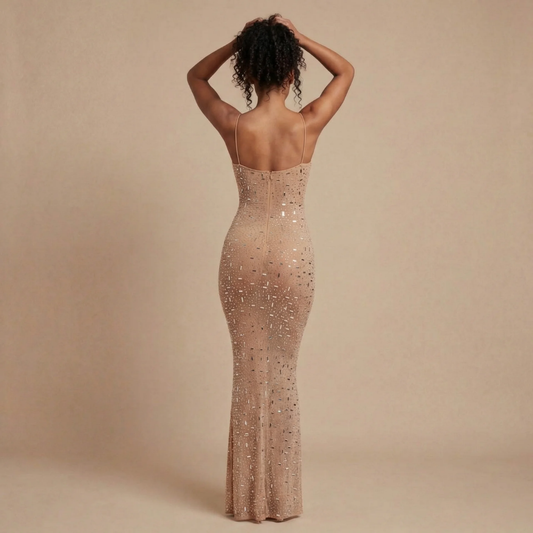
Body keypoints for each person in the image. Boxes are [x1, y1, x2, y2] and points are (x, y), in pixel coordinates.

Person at [187, 14, 354, 523]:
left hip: (241, 248)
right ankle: (281, 500)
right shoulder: (307, 123)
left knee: (247, 368)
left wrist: (237, 43)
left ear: (249, 72)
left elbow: (196, 76)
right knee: (282, 371)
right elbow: (345, 71)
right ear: (290, 70)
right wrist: (300, 37)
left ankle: (246, 500)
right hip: (292, 253)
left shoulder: (235, 125)